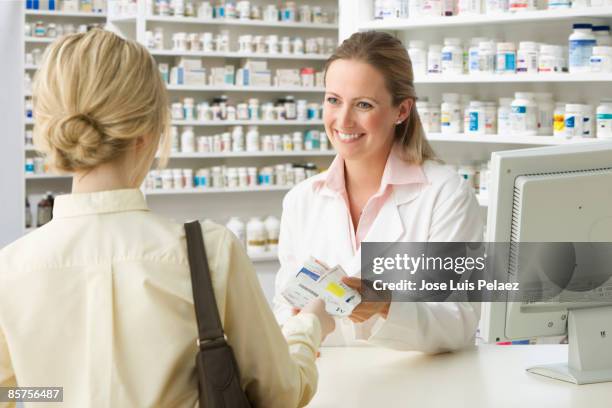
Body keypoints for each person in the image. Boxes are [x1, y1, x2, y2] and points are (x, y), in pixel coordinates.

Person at [0, 29, 334, 408]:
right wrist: (308, 328)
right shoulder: (208, 253)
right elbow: (280, 393)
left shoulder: (11, 268)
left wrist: (53, 392)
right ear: (148, 132)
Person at [273, 31, 483, 354]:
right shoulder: (301, 201)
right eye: (333, 100)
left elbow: (459, 320)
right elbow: (283, 307)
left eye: (363, 105)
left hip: (418, 391)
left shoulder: (445, 194)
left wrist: (387, 305)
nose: (343, 120)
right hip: (324, 389)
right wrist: (296, 324)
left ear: (401, 111)